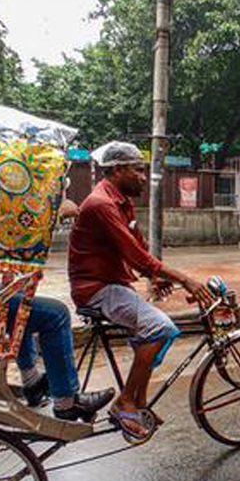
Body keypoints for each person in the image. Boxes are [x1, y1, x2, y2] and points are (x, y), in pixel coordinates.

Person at [68, 141, 213, 442]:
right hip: (96, 289)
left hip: (113, 284)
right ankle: (125, 403)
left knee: (163, 331)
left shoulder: (121, 200)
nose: (144, 177)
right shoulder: (101, 204)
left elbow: (137, 247)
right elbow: (137, 257)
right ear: (118, 170)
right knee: (159, 328)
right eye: (138, 170)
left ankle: (140, 401)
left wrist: (154, 277)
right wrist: (185, 279)